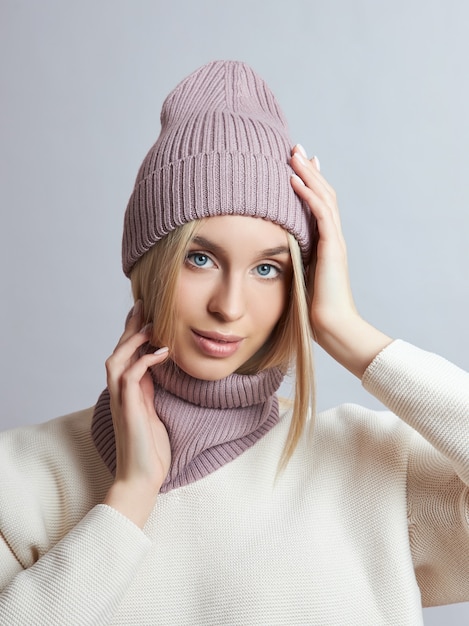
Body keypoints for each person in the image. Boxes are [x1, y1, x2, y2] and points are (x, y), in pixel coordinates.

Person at [0, 60, 468, 626]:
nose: (230, 305)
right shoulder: (21, 478)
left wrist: (347, 332)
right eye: (200, 258)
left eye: (268, 269)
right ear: (148, 264)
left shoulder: (373, 467)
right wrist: (129, 498)